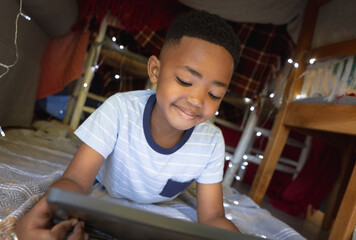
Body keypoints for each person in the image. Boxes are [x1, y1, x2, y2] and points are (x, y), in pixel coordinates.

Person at [16, 9, 241, 239]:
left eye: (214, 94)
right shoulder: (119, 110)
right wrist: (44, 212)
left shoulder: (211, 142)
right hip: (105, 183)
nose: (196, 101)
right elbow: (75, 180)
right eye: (184, 81)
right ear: (155, 70)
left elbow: (213, 217)